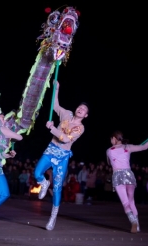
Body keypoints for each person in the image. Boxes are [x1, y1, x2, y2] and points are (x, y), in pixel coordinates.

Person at [34, 80, 88, 230]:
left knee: (57, 188)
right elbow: (55, 106)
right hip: (51, 149)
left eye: (83, 109)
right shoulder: (67, 114)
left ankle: (53, 218)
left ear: (86, 115)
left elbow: (65, 139)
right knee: (37, 172)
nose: (80, 109)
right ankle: (44, 183)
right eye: (80, 107)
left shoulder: (80, 128)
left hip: (62, 156)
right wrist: (56, 89)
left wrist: (52, 128)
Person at [106, 130, 148, 233]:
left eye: (111, 139)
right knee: (132, 201)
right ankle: (137, 225)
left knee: (125, 203)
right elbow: (144, 147)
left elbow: (110, 162)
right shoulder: (128, 147)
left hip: (118, 176)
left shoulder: (109, 150)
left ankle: (133, 221)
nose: (110, 141)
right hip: (129, 175)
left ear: (114, 138)